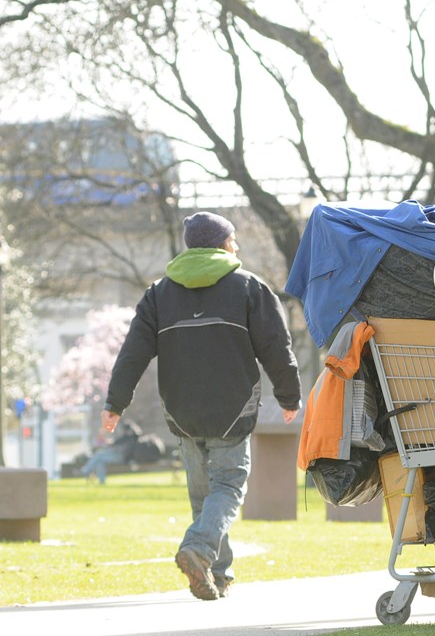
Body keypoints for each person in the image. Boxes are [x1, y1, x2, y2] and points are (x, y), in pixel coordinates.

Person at [100, 211, 301, 601]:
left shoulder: (158, 293)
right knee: (227, 487)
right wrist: (289, 395)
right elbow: (277, 347)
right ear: (223, 244)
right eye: (233, 239)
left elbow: (132, 354)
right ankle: (198, 549)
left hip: (182, 412)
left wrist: (115, 403)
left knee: (203, 495)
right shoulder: (249, 287)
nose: (237, 245)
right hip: (232, 409)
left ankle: (218, 574)